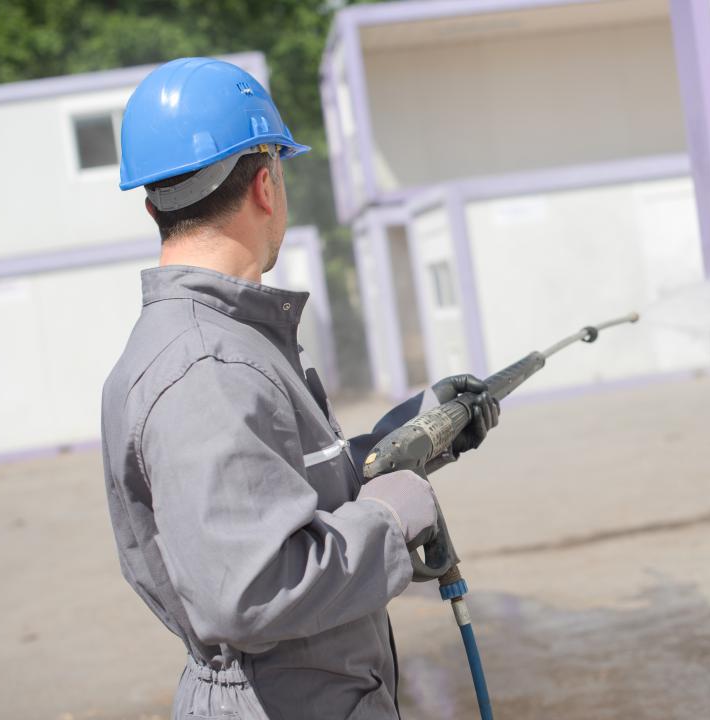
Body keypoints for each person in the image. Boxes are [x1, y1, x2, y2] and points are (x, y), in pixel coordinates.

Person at [100, 57, 500, 720]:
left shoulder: (224, 343)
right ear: (265, 183)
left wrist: (414, 437)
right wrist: (389, 520)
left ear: (152, 206)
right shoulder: (210, 368)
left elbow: (277, 490)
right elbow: (252, 588)